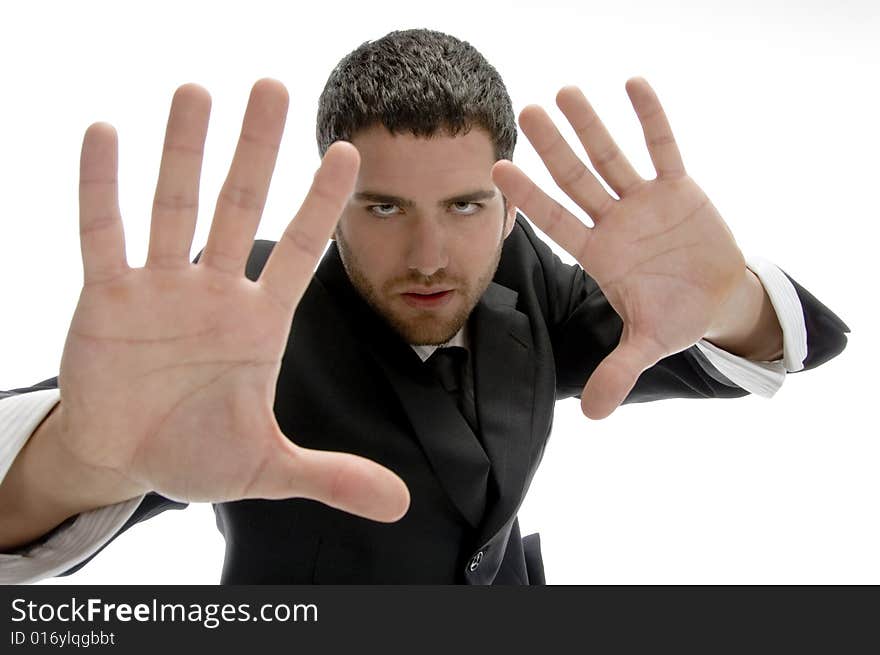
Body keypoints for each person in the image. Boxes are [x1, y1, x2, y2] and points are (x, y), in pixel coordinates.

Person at [0, 29, 848, 584]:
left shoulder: (524, 277)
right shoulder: (244, 311)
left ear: (510, 207)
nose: (430, 256)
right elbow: (84, 460)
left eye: (466, 206)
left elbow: (781, 347)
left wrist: (729, 293)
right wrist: (80, 459)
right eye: (383, 207)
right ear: (331, 205)